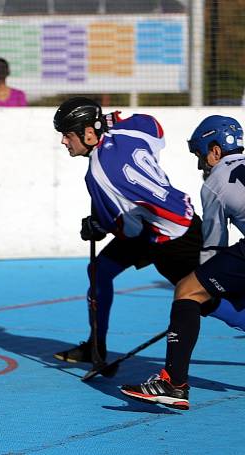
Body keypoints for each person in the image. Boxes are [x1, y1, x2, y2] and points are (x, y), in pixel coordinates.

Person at [51, 97, 202, 367]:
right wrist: (107, 121)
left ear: (88, 133)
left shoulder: (98, 174)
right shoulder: (127, 132)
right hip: (162, 222)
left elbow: (128, 230)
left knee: (205, 297)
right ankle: (96, 343)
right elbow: (154, 126)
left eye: (67, 134)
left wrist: (98, 226)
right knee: (99, 270)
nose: (63, 141)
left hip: (170, 236)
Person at [121, 115, 245, 410]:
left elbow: (214, 246)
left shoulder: (216, 182)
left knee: (189, 288)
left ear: (215, 150)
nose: (201, 164)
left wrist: (196, 300)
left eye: (201, 155)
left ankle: (173, 383)